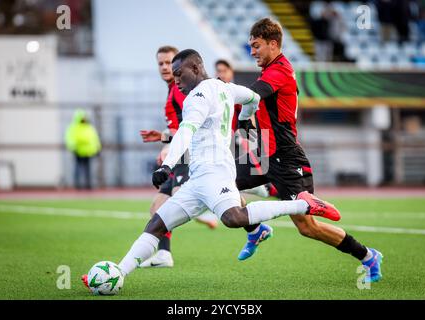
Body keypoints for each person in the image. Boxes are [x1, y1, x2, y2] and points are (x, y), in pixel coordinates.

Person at [82, 49, 341, 288]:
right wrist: (243, 117)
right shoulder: (223, 87)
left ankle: (303, 204)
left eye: (179, 73)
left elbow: (186, 130)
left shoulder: (196, 97)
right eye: (173, 76)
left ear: (195, 67)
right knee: (156, 224)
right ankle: (118, 273)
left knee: (233, 218)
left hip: (215, 172)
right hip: (198, 178)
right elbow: (252, 98)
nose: (177, 80)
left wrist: (168, 165)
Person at [234, 18, 383, 282]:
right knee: (227, 186)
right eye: (250, 47)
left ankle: (367, 255)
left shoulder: (279, 70)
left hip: (286, 158)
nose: (252, 52)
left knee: (308, 228)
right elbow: (254, 110)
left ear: (272, 43)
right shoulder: (269, 69)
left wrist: (220, 93)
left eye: (256, 46)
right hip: (267, 154)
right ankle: (256, 230)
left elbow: (253, 96)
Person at [138, 46, 218, 268]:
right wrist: (163, 137)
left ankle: (209, 208)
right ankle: (164, 254)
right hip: (178, 152)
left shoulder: (181, 91)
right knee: (157, 207)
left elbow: (191, 126)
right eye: (160, 63)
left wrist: (168, 147)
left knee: (178, 196)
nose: (165, 67)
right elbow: (177, 128)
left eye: (168, 62)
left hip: (187, 153)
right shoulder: (172, 90)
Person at [215, 59, 277, 198]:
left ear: (231, 73)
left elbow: (250, 114)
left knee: (230, 178)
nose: (222, 74)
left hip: (236, 141)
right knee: (225, 178)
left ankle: (266, 188)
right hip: (223, 142)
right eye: (219, 71)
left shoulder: (235, 92)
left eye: (225, 71)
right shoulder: (215, 92)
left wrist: (248, 135)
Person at [65, 109, 101, 190]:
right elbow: (70, 139)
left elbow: (95, 139)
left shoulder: (89, 127)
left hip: (88, 152)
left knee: (87, 169)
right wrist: (73, 148)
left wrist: (98, 149)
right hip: (78, 151)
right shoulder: (73, 127)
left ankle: (88, 185)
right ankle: (77, 186)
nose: (84, 119)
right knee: (78, 169)